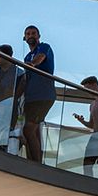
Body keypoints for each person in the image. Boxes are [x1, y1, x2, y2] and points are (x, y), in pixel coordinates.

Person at [18, 25, 57, 164]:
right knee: (33, 132)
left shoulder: (44, 47)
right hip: (31, 98)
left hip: (43, 96)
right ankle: (33, 161)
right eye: (28, 34)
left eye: (33, 33)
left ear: (39, 36)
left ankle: (36, 164)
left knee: (29, 130)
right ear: (24, 38)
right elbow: (26, 78)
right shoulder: (27, 56)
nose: (30, 35)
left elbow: (40, 58)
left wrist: (32, 64)